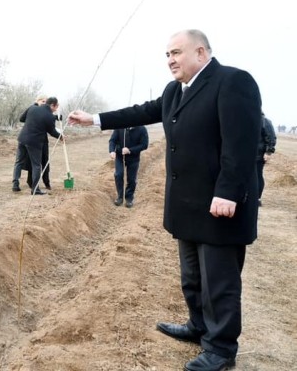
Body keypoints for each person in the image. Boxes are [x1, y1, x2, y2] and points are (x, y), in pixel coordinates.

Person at [69, 29, 261, 371]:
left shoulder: (232, 82)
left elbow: (242, 145)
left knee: (219, 282)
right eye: (167, 54)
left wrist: (229, 192)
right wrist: (96, 120)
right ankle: (198, 326)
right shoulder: (176, 91)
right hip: (187, 204)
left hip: (220, 205)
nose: (170, 60)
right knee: (192, 276)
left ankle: (220, 350)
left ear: (201, 53)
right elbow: (142, 112)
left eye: (176, 52)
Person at [12, 97, 63, 195]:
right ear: (52, 105)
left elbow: (22, 118)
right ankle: (35, 189)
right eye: (56, 107)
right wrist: (61, 137)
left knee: (18, 162)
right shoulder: (49, 116)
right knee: (36, 165)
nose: (56, 109)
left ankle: (15, 185)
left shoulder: (32, 108)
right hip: (34, 143)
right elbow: (52, 131)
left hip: (22, 139)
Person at [109, 126, 149, 208]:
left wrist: (130, 150)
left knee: (131, 179)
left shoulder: (142, 129)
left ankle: (129, 198)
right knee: (118, 174)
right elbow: (112, 140)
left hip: (134, 158)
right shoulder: (120, 127)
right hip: (120, 157)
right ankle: (120, 197)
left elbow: (144, 145)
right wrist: (112, 151)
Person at [20, 95, 52, 190]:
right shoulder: (32, 109)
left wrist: (56, 117)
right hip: (34, 141)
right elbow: (22, 119)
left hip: (43, 140)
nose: (44, 103)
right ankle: (31, 182)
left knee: (45, 161)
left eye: (46, 102)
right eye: (43, 101)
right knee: (33, 162)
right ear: (37, 101)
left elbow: (49, 120)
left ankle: (47, 182)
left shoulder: (46, 111)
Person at [256, 113, 276, 206]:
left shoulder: (264, 121)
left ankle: (257, 198)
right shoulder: (247, 118)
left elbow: (271, 137)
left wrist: (268, 152)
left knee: (257, 175)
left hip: (259, 154)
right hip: (247, 154)